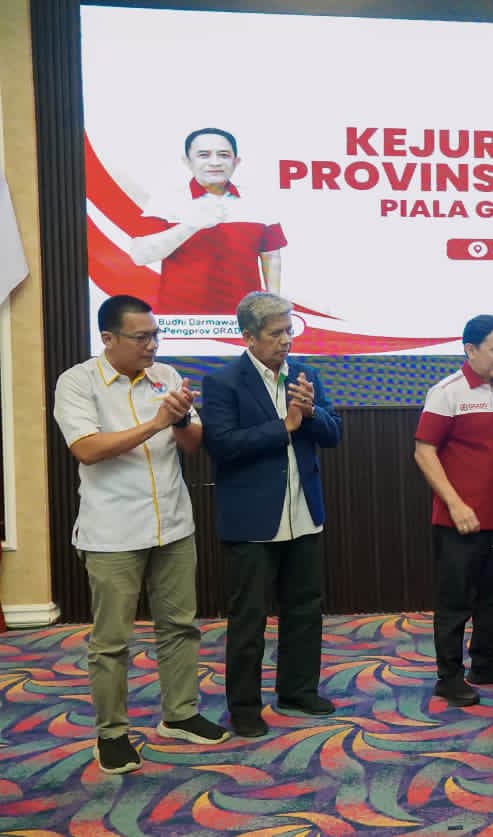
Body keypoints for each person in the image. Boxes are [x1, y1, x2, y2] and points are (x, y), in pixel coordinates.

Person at [52, 295, 229, 774]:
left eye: (155, 335)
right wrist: (156, 422)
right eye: (141, 337)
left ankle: (180, 713)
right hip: (112, 532)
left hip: (173, 523)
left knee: (180, 626)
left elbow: (192, 444)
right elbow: (87, 448)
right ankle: (112, 734)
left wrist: (182, 419)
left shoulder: (166, 376)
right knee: (111, 640)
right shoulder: (77, 382)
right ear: (108, 339)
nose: (152, 345)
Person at [200, 292, 343, 737]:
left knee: (305, 608)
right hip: (253, 520)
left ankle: (298, 690)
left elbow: (334, 433)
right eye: (276, 333)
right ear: (249, 337)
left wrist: (311, 413)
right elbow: (222, 445)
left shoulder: (305, 375)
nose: (286, 341)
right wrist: (284, 426)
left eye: (289, 331)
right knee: (250, 617)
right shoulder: (224, 382)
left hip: (303, 512)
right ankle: (244, 706)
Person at [414, 315, 493, 708]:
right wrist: (455, 504)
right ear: (470, 350)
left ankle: (484, 664)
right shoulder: (446, 392)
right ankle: (449, 677)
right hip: (460, 518)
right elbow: (424, 452)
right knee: (455, 601)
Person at [129, 127, 286, 315]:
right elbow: (140, 256)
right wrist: (191, 225)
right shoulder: (166, 201)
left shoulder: (258, 200)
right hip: (183, 320)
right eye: (204, 155)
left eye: (224, 155)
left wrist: (274, 307)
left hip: (245, 318)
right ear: (187, 161)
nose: (215, 162)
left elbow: (271, 256)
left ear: (236, 161)